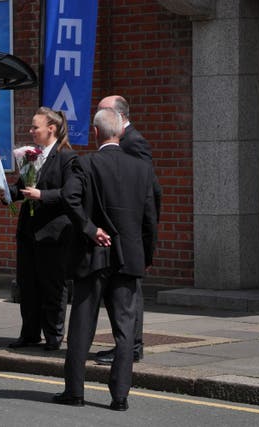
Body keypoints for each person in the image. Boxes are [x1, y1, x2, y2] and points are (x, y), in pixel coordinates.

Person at [53, 107, 157, 411]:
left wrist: (89, 228)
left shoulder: (85, 164)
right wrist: (146, 256)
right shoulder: (143, 169)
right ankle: (120, 396)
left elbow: (69, 199)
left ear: (96, 133)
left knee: (82, 327)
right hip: (130, 259)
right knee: (125, 330)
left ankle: (75, 392)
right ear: (121, 132)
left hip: (92, 256)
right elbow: (150, 218)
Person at [93, 95, 162, 365]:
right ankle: (126, 346)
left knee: (128, 298)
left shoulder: (133, 141)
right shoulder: (124, 140)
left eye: (101, 112)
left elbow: (150, 189)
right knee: (120, 299)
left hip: (128, 235)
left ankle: (131, 347)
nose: (96, 118)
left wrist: (146, 235)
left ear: (116, 115)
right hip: (122, 235)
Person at [6, 107, 78, 352]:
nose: (31, 131)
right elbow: (21, 188)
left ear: (52, 129)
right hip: (28, 231)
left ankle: (54, 335)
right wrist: (8, 193)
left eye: (35, 127)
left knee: (52, 285)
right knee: (28, 284)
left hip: (53, 232)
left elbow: (71, 193)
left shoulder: (67, 157)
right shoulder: (30, 156)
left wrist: (42, 195)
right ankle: (29, 333)